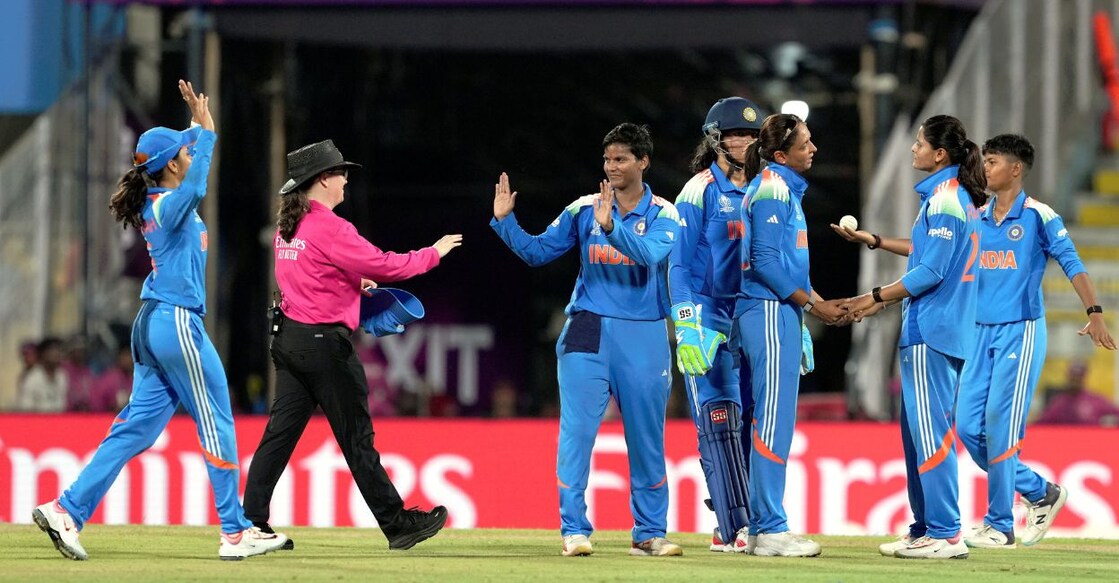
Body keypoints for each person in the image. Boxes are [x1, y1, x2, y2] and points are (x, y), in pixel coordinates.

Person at [32, 80, 289, 561]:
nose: (189, 156)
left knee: (136, 429)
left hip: (152, 323)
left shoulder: (156, 198)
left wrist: (199, 124)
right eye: (183, 153)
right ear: (171, 165)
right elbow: (194, 184)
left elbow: (181, 163)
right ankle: (235, 533)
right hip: (175, 323)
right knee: (216, 419)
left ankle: (66, 511)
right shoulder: (170, 204)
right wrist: (206, 137)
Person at [243, 139, 461, 551]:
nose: (346, 181)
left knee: (278, 436)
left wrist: (350, 283)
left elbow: (304, 275)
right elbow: (387, 264)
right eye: (341, 173)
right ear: (324, 179)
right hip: (325, 346)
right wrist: (433, 253)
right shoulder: (332, 227)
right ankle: (398, 525)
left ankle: (249, 524)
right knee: (357, 439)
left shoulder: (288, 225)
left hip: (289, 340)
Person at [491, 123, 684, 557]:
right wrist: (506, 222)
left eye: (621, 159)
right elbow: (538, 252)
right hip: (587, 327)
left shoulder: (666, 214)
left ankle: (649, 533)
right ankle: (573, 531)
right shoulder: (583, 209)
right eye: (607, 159)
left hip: (645, 332)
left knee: (647, 438)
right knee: (575, 433)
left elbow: (649, 255)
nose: (612, 167)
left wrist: (613, 228)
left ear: (643, 162)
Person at [836, 114, 985, 559]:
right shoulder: (954, 199)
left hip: (931, 331)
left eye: (919, 143)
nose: (913, 149)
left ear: (940, 154)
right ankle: (925, 527)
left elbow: (931, 271)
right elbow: (928, 253)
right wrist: (876, 241)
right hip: (946, 329)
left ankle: (945, 533)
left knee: (931, 434)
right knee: (918, 433)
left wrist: (874, 296)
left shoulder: (944, 201)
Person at [956, 134, 1115, 549]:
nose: (985, 168)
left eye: (992, 162)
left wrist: (1094, 313)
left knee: (998, 425)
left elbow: (1072, 263)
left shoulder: (1040, 216)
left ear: (1016, 169)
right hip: (978, 334)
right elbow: (937, 255)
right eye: (984, 161)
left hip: (1020, 331)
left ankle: (999, 524)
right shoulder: (976, 215)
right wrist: (879, 243)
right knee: (969, 427)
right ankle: (1040, 492)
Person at [733, 112, 846, 558]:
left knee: (774, 420)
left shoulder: (780, 189)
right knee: (773, 421)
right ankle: (770, 528)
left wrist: (819, 301)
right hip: (767, 311)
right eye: (805, 143)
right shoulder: (774, 190)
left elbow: (786, 264)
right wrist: (813, 305)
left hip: (776, 311)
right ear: (781, 154)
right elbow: (763, 262)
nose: (814, 148)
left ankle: (765, 528)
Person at [667, 96, 763, 553]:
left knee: (754, 421)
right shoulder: (698, 190)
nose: (742, 142)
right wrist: (686, 324)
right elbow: (679, 266)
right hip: (708, 318)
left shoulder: (768, 188)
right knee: (719, 419)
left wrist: (797, 316)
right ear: (715, 140)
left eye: (748, 134)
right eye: (733, 135)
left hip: (753, 314)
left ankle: (751, 518)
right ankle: (735, 526)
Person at [1038, 361, 1119, 425]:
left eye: (1078, 377)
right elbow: (1042, 423)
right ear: (1068, 376)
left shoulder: (1095, 401)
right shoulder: (1059, 403)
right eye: (1073, 377)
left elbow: (1115, 412)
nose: (1075, 381)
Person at [18, 337, 68, 412]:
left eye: (58, 350)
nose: (56, 354)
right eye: (52, 351)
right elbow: (25, 409)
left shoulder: (62, 375)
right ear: (43, 354)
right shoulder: (32, 378)